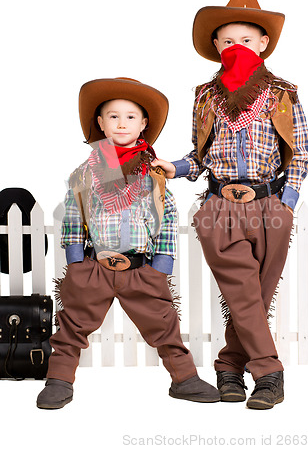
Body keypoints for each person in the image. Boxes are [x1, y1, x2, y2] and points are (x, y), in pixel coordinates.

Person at [152, 0, 308, 409]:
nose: (235, 46)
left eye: (245, 37)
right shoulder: (206, 96)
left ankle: (228, 365)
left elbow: (301, 152)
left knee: (255, 295)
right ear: (217, 48)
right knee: (241, 288)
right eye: (226, 41)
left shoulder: (282, 93)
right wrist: (174, 167)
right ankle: (269, 373)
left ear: (262, 44)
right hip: (219, 206)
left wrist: (286, 202)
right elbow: (199, 157)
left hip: (268, 205)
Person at [36, 77, 220, 409]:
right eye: (114, 116)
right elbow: (75, 215)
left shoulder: (153, 174)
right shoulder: (87, 173)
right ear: (101, 123)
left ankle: (185, 379)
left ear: (144, 123)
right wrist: (77, 263)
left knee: (164, 324)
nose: (122, 123)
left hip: (140, 268)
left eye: (131, 116)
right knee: (72, 324)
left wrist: (160, 268)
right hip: (96, 266)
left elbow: (166, 219)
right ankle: (59, 380)